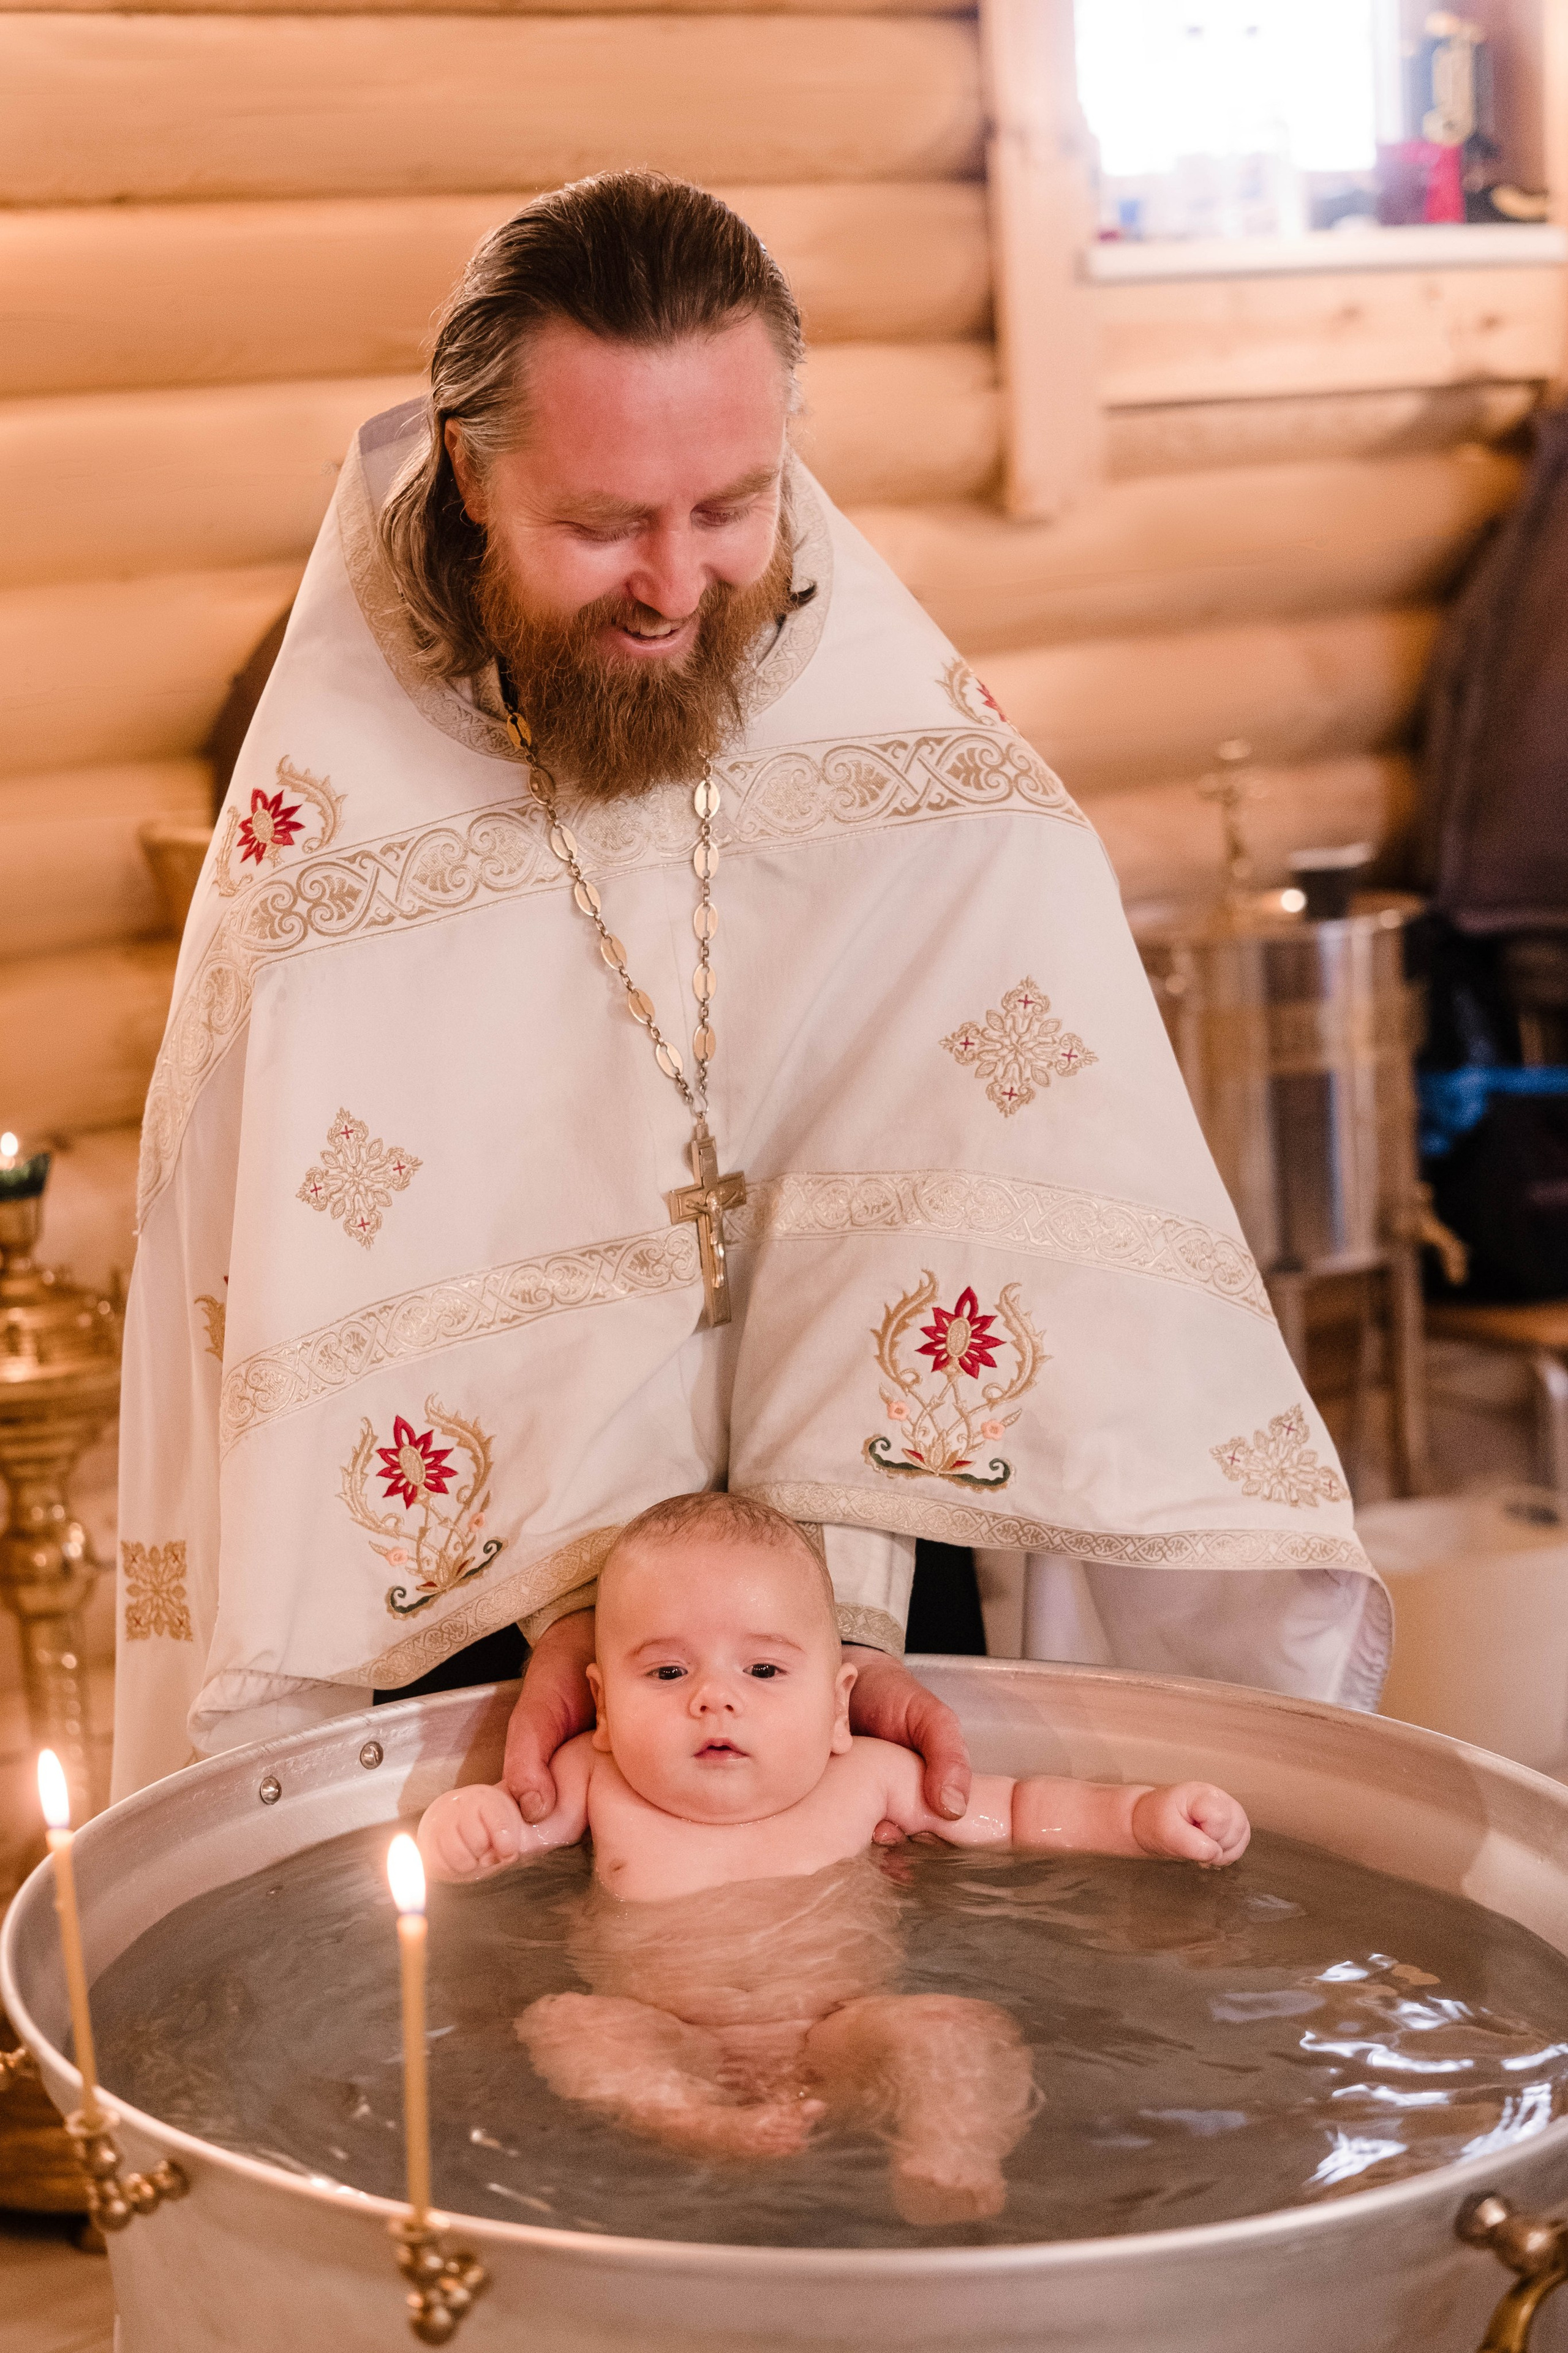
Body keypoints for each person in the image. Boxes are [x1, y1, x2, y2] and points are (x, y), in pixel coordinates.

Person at [112, 168, 1385, 1807]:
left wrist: (801, 1609)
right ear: (468, 478)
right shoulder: (332, 851)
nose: (673, 583)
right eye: (600, 524)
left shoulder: (926, 778)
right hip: (491, 1639)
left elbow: (1037, 1196)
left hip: (861, 1606)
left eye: (732, 507)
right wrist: (605, 1602)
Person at [418, 1492, 1250, 2222]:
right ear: (602, 1702)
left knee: (953, 2025)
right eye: (668, 1670)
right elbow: (506, 1829)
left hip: (841, 2035)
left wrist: (1141, 1817)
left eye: (766, 1667)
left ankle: (949, 2149)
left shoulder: (867, 1779)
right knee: (570, 2021)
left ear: (839, 1704)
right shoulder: (593, 1778)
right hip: (666, 2034)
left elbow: (1020, 1808)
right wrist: (465, 1824)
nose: (716, 1694)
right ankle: (695, 2116)